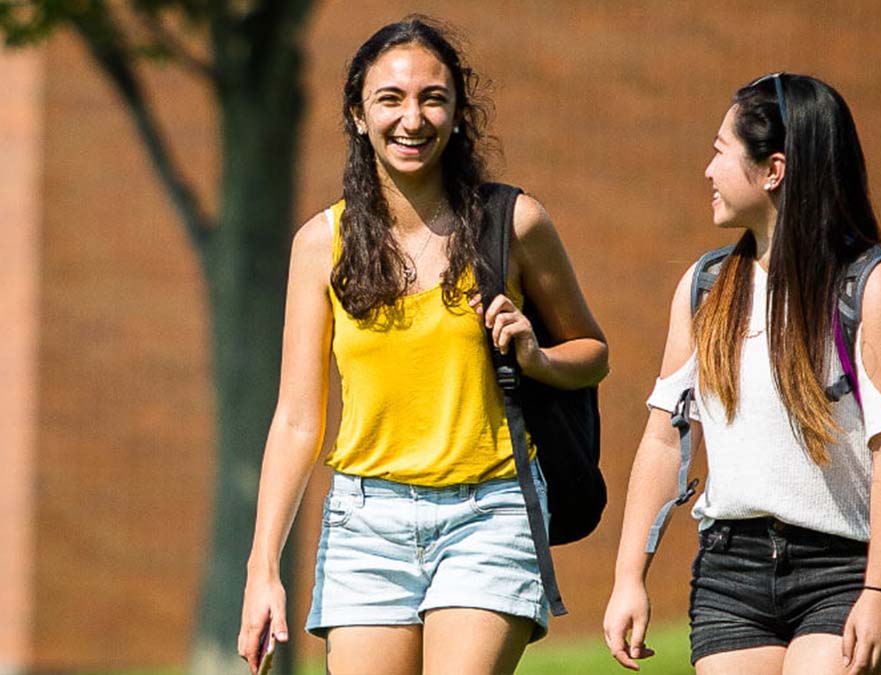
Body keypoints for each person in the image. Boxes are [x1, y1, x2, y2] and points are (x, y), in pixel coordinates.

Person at [235, 16, 608, 675]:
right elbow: (296, 418)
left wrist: (536, 357)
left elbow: (592, 351)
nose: (413, 118)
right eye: (391, 98)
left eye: (433, 98)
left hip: (489, 513)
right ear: (357, 114)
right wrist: (262, 568)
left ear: (458, 111)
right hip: (363, 524)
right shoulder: (321, 244)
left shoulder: (513, 222)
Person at [603, 73, 881, 675]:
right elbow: (664, 436)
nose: (707, 171)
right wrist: (629, 576)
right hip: (732, 571)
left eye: (720, 151)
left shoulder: (874, 287)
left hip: (844, 569)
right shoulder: (705, 287)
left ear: (773, 170)